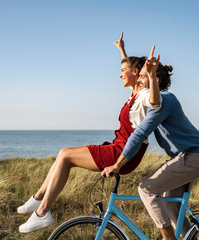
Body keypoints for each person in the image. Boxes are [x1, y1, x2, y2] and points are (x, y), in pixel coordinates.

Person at [17, 33, 161, 233]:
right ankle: (39, 198)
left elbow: (155, 102)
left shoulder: (144, 94)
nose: (119, 74)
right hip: (119, 147)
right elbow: (131, 70)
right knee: (63, 154)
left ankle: (42, 212)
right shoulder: (133, 94)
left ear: (135, 72)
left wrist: (152, 76)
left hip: (124, 152)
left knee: (65, 155)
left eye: (122, 71)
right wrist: (121, 50)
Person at [102, 62, 199, 240]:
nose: (138, 80)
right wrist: (122, 51)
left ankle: (168, 238)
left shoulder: (163, 101)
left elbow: (140, 134)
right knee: (172, 206)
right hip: (189, 157)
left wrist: (117, 164)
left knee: (147, 188)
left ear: (155, 80)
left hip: (192, 157)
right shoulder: (155, 101)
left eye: (143, 77)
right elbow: (130, 72)